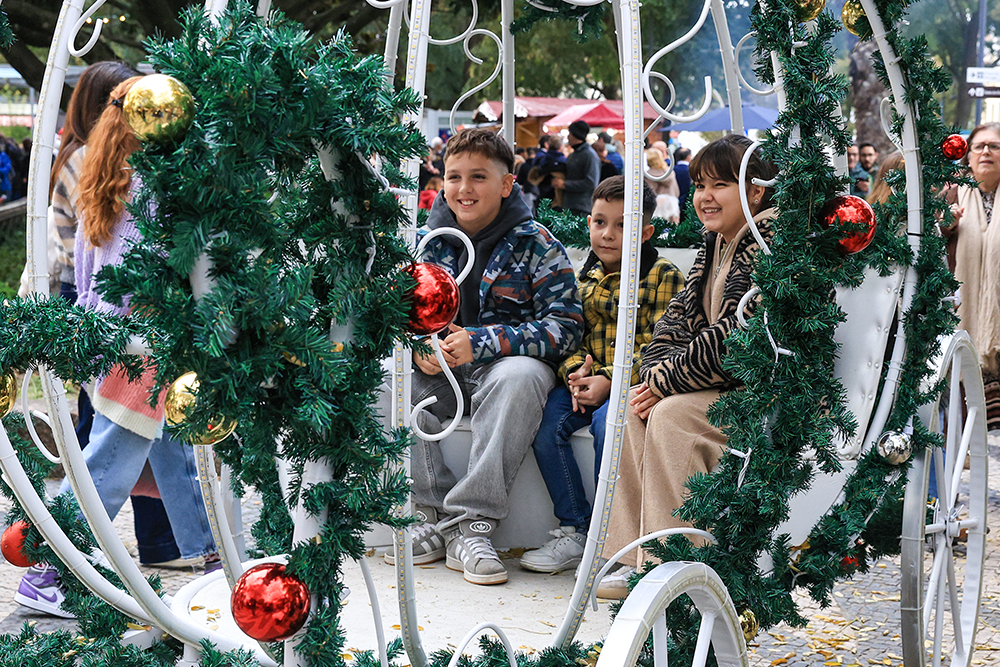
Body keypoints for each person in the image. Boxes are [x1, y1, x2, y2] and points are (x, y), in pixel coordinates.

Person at [15, 78, 218, 618]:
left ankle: (211, 556)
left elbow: (87, 278)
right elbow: (143, 270)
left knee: (174, 450)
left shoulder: (105, 181)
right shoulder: (151, 183)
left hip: (111, 336)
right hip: (142, 339)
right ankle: (46, 570)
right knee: (106, 461)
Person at [385, 128, 583, 586]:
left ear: (507, 183)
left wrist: (485, 341)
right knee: (396, 373)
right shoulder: (425, 244)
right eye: (454, 176)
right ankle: (425, 514)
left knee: (520, 375)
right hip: (442, 378)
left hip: (502, 375)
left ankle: (471, 525)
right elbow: (392, 316)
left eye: (478, 176)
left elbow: (567, 328)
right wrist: (418, 349)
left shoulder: (537, 244)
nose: (464, 189)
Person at [596, 135, 778, 599]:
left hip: (766, 392)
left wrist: (663, 381)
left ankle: (671, 566)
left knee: (673, 417)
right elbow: (676, 322)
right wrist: (654, 378)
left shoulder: (768, 240)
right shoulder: (716, 243)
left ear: (756, 191)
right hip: (718, 385)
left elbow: (739, 339)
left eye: (719, 184)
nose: (703, 197)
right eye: (698, 185)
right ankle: (633, 554)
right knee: (636, 409)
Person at [520, 177, 684, 573]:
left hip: (633, 384)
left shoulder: (663, 277)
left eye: (622, 225)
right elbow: (567, 334)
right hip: (585, 383)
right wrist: (575, 372)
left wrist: (610, 379)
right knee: (545, 428)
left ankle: (612, 539)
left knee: (608, 425)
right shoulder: (583, 278)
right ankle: (577, 528)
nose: (608, 234)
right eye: (599, 222)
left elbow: (660, 346)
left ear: (645, 231)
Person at [941, 123, 1000, 432]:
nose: (986, 152)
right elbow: (929, 238)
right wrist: (946, 224)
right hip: (965, 315)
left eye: (994, 146)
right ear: (968, 154)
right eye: (979, 146)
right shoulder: (954, 191)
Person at [553, 120, 600, 216]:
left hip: (582, 208)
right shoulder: (573, 155)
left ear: (575, 135)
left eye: (570, 133)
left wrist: (565, 184)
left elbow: (591, 183)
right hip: (569, 205)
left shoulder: (590, 155)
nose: (568, 136)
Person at [674, 147, 692, 222]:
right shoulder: (691, 171)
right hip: (688, 204)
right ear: (688, 157)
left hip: (674, 204)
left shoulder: (671, 170)